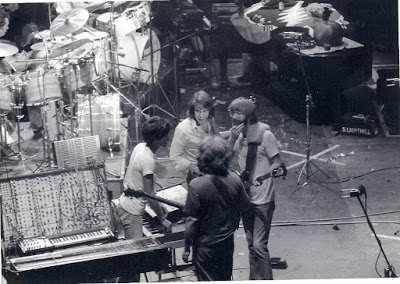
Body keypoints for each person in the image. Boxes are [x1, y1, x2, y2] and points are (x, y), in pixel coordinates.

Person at [181, 136, 251, 281]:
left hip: (205, 247)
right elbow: (245, 206)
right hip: (226, 244)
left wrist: (187, 247)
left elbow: (191, 222)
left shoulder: (196, 185)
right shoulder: (235, 179)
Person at [228, 96, 282, 280]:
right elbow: (225, 161)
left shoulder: (266, 136)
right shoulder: (240, 137)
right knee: (251, 244)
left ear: (249, 118)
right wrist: (232, 139)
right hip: (247, 198)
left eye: (238, 119)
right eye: (233, 119)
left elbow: (277, 163)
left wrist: (269, 174)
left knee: (259, 245)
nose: (235, 123)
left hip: (263, 199)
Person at [115, 116, 172, 282]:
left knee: (132, 264)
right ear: (156, 138)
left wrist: (159, 205)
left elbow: (144, 185)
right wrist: (162, 219)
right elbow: (148, 194)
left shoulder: (141, 147)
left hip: (125, 204)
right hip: (132, 213)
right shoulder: (148, 159)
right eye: (165, 135)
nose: (168, 137)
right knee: (134, 264)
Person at [169, 90, 220, 185]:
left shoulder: (210, 121)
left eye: (205, 111)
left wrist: (214, 126)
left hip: (214, 171)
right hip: (196, 175)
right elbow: (174, 156)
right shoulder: (182, 128)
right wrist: (195, 168)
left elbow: (218, 142)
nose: (201, 116)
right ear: (192, 110)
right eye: (198, 111)